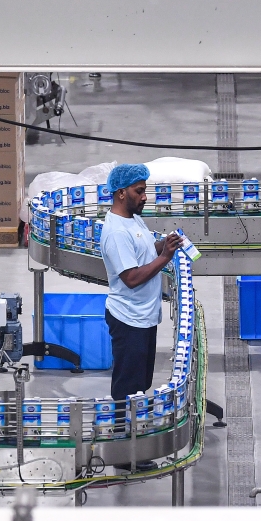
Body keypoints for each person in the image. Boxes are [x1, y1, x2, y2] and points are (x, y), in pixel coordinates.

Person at [99, 163, 183, 413]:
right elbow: (132, 277)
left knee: (141, 384)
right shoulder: (116, 232)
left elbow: (142, 252)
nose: (145, 196)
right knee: (128, 388)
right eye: (139, 191)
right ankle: (122, 437)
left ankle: (135, 432)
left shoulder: (133, 219)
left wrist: (161, 245)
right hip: (128, 319)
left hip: (143, 317)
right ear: (121, 193)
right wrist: (165, 257)